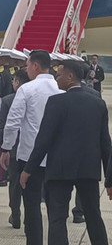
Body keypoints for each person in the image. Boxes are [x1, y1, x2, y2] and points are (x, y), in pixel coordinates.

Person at [21, 60, 111, 245]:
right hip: (88, 171)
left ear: (71, 77)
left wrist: (28, 169)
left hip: (60, 171)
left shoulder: (56, 102)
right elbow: (105, 144)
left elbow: (43, 140)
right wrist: (110, 179)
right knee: (93, 216)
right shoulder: (98, 103)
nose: (56, 77)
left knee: (57, 218)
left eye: (59, 74)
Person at [0, 50, 63, 245]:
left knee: (32, 205)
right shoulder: (61, 89)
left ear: (35, 65)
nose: (26, 69)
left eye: (27, 65)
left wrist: (6, 147)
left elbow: (12, 123)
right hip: (56, 157)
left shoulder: (26, 90)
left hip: (30, 157)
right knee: (56, 208)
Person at [0, 68, 30, 229]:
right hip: (30, 148)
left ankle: (15, 213)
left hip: (13, 147)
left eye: (14, 81)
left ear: (17, 83)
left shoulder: (8, 100)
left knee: (14, 183)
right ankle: (29, 216)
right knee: (29, 184)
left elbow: (1, 125)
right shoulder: (35, 98)